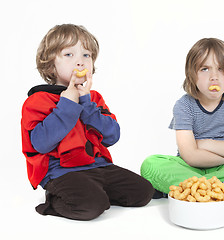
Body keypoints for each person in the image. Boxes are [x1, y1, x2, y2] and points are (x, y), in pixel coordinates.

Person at [21, 24, 154, 220]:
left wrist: (87, 105)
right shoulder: (37, 100)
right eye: (69, 55)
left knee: (144, 192)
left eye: (86, 55)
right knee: (92, 206)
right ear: (51, 65)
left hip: (98, 166)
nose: (80, 62)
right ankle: (56, 199)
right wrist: (68, 103)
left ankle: (94, 191)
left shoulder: (93, 98)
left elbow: (112, 136)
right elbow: (41, 144)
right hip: (60, 172)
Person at [141, 38, 224, 205]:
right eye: (205, 69)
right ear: (192, 74)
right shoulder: (184, 105)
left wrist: (205, 144)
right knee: (150, 165)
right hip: (190, 167)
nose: (214, 77)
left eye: (221, 69)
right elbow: (190, 156)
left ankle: (185, 189)